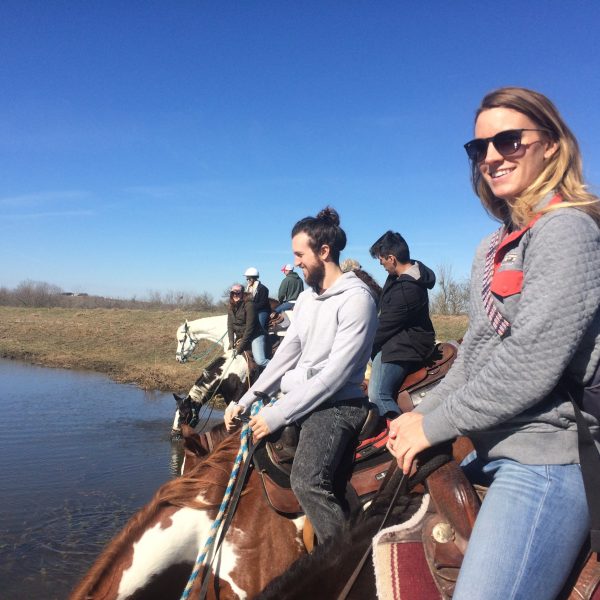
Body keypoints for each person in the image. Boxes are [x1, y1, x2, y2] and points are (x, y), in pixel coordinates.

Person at [387, 87, 600, 600]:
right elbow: (477, 353)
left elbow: (531, 363)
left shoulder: (568, 230)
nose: (491, 157)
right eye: (478, 148)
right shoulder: (495, 243)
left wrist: (434, 425)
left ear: (550, 143)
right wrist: (422, 413)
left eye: (509, 140)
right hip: (494, 441)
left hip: (548, 456)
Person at [225, 207, 378, 543]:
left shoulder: (357, 300)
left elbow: (336, 376)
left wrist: (277, 412)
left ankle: (342, 563)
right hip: (306, 396)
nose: (295, 262)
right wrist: (247, 398)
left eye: (299, 254)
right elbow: (284, 358)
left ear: (324, 252)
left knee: (307, 481)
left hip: (339, 404)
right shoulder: (307, 300)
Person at [368, 231, 436, 418]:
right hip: (398, 338)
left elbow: (385, 326)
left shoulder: (408, 289)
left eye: (381, 259)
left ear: (392, 258)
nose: (380, 264)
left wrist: (362, 346)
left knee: (377, 394)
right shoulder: (399, 277)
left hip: (405, 345)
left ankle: (397, 434)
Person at [226, 283, 269, 369]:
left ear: (242, 293)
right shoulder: (231, 306)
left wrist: (240, 347)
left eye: (238, 293)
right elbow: (230, 325)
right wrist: (231, 341)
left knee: (260, 361)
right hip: (242, 336)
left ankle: (279, 369)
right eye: (233, 293)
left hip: (255, 335)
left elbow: (250, 328)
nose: (235, 295)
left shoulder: (249, 305)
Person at [244, 267, 270, 368]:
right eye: (247, 279)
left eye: (248, 278)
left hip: (262, 310)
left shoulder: (263, 288)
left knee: (259, 325)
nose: (247, 280)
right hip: (253, 310)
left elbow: (263, 303)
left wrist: (251, 308)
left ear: (253, 278)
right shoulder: (248, 289)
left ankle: (262, 339)